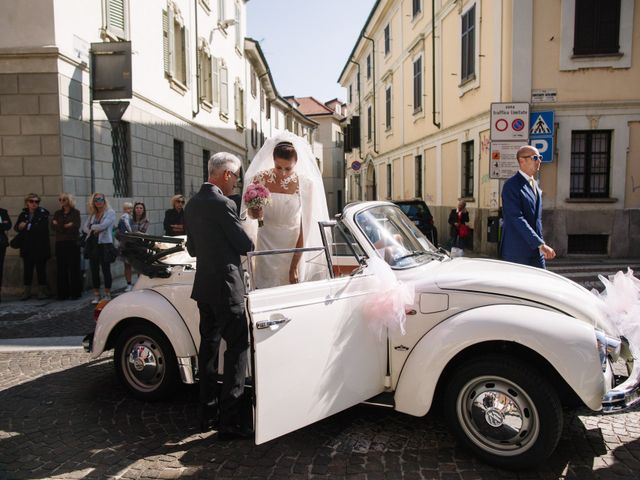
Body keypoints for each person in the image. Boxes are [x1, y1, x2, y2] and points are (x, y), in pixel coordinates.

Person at [184, 152, 255, 438]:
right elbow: (245, 244)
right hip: (227, 287)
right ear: (226, 174)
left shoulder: (191, 204)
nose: (236, 183)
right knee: (238, 347)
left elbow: (192, 249)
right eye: (236, 177)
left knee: (209, 349)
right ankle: (230, 421)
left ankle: (207, 414)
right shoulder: (223, 203)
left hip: (204, 286)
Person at [242, 131, 330, 288]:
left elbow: (306, 226)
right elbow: (250, 214)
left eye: (288, 168)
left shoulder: (306, 184)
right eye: (278, 167)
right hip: (265, 241)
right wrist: (254, 212)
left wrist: (295, 263)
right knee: (264, 287)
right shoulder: (260, 178)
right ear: (273, 160)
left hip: (293, 244)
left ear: (296, 162)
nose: (282, 172)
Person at [500, 145, 555, 268]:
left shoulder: (534, 184)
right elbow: (516, 218)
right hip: (517, 252)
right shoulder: (511, 185)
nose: (539, 161)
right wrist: (540, 244)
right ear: (521, 160)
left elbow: (537, 220)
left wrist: (540, 244)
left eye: (539, 157)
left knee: (540, 284)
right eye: (535, 158)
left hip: (536, 251)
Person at [15, 193, 51, 300]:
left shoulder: (43, 213)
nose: (34, 204)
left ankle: (42, 291)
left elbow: (41, 229)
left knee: (41, 270)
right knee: (27, 270)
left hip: (40, 247)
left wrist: (26, 226)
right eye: (31, 201)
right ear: (27, 203)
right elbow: (16, 227)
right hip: (27, 247)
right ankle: (26, 292)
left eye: (36, 202)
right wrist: (20, 226)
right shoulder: (23, 214)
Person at [82, 192, 116, 303]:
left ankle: (107, 293)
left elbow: (104, 225)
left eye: (100, 199)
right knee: (94, 270)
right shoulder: (92, 214)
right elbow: (84, 228)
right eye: (96, 200)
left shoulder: (110, 212)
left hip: (105, 244)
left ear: (104, 200)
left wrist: (93, 227)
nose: (98, 202)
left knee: (106, 269)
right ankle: (96, 294)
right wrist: (94, 229)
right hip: (92, 244)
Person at [52, 193, 82, 300]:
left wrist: (59, 225)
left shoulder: (76, 213)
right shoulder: (57, 213)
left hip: (73, 243)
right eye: (60, 199)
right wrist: (65, 226)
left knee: (74, 268)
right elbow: (53, 227)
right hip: (60, 243)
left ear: (69, 200)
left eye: (64, 199)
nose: (61, 201)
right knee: (61, 269)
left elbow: (75, 227)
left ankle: (75, 293)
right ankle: (62, 294)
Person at [122, 202, 149, 292]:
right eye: (137, 207)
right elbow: (124, 229)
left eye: (141, 208)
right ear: (134, 209)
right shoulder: (129, 218)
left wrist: (133, 233)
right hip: (128, 245)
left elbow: (141, 233)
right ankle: (129, 284)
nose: (139, 209)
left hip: (139, 246)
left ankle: (139, 283)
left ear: (143, 210)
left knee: (139, 265)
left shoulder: (146, 221)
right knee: (127, 265)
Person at [0, 204, 12, 303]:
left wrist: (3, 224)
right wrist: (1, 224)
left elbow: (8, 225)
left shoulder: (3, 212)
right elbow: (3, 225)